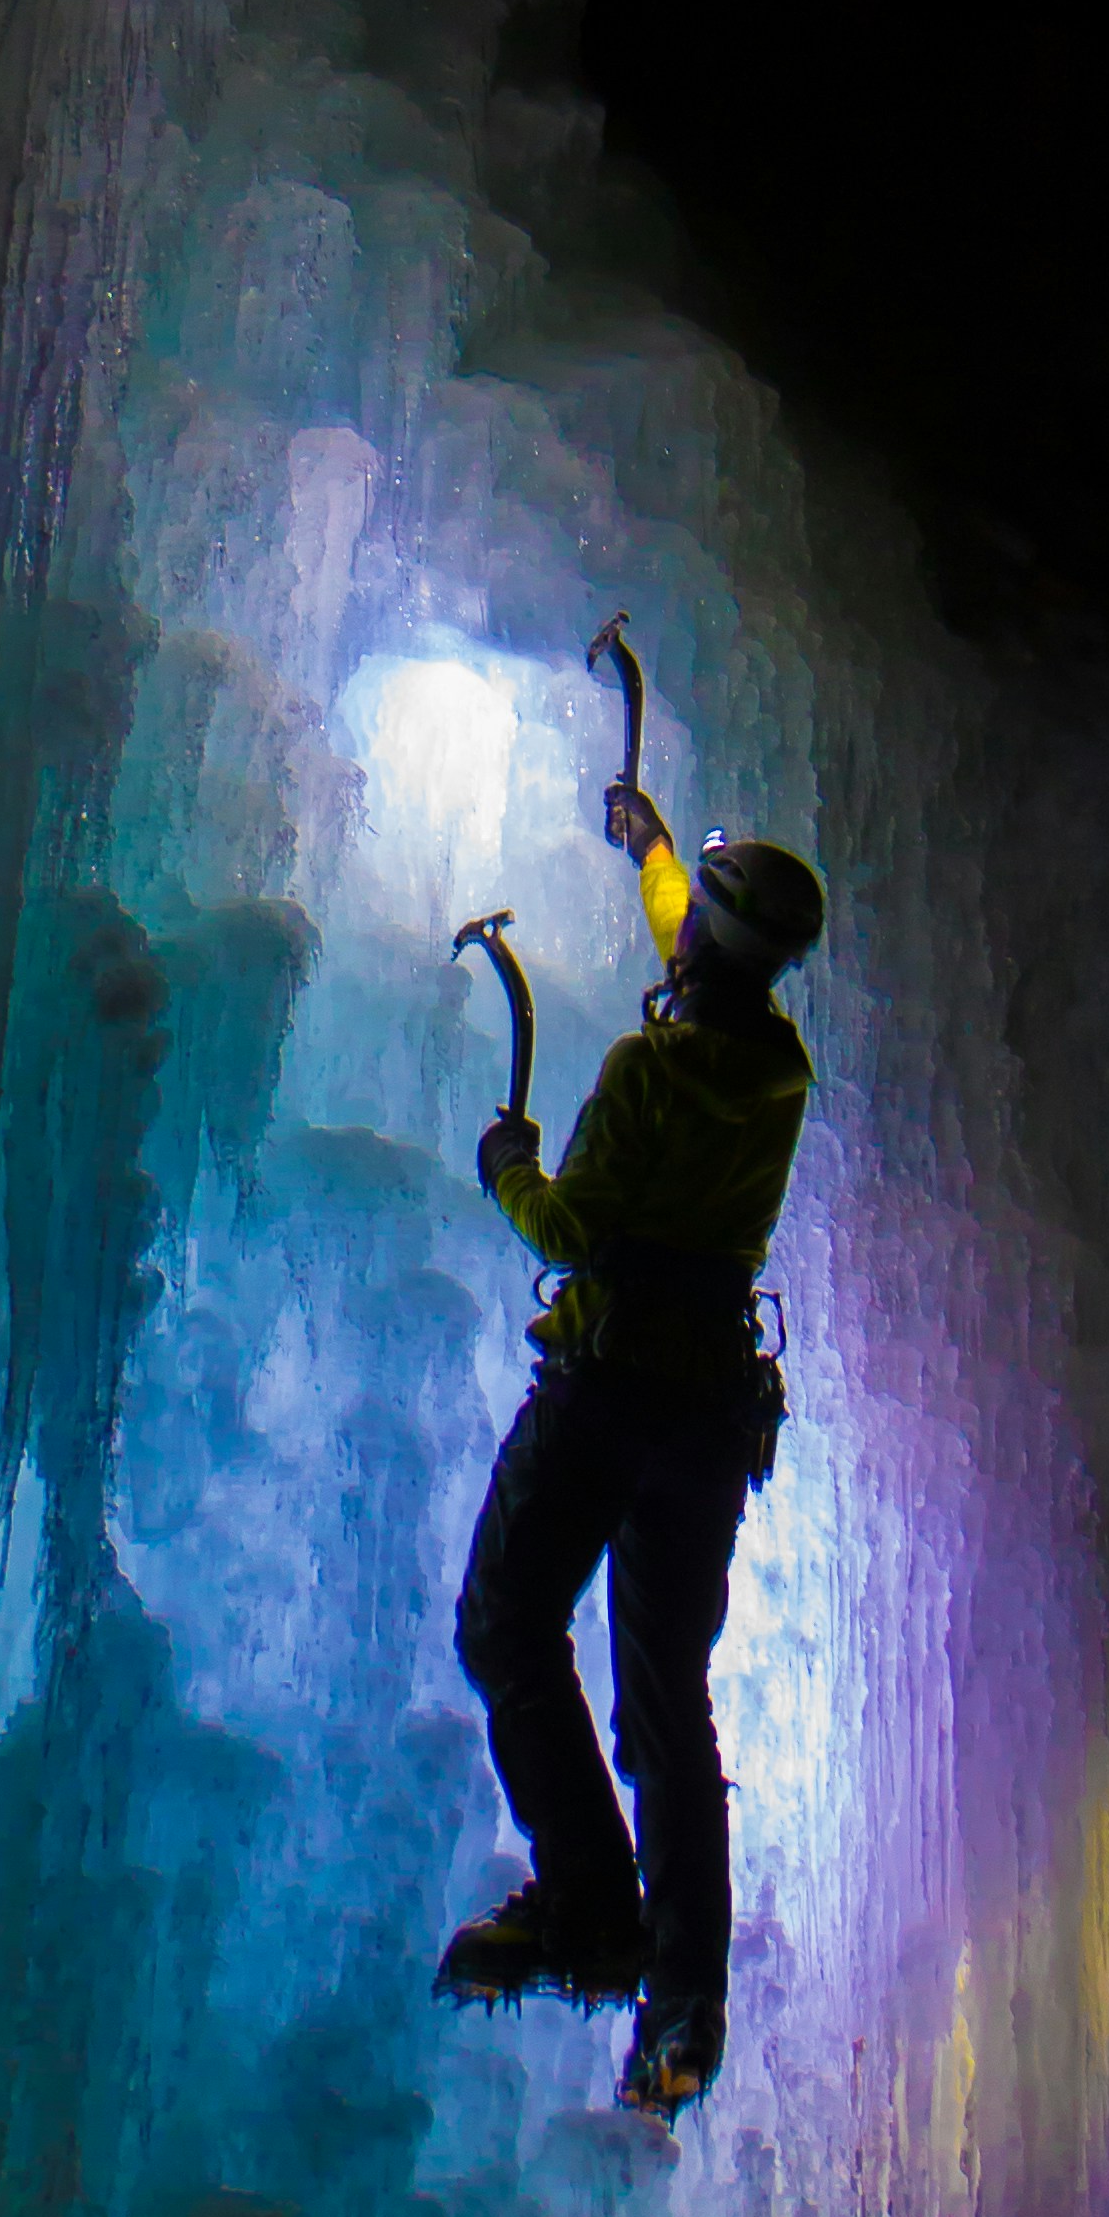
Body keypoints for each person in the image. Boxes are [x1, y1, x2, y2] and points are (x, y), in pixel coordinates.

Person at [436, 787, 827, 2120]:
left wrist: (507, 1166)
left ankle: (590, 1910)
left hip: (607, 1396)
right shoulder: (778, 1076)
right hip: (711, 1416)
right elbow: (702, 956)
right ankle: (685, 2002)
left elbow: (570, 1231)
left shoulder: (644, 1074)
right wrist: (659, 857)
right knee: (668, 1700)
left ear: (706, 953)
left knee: (505, 1627)